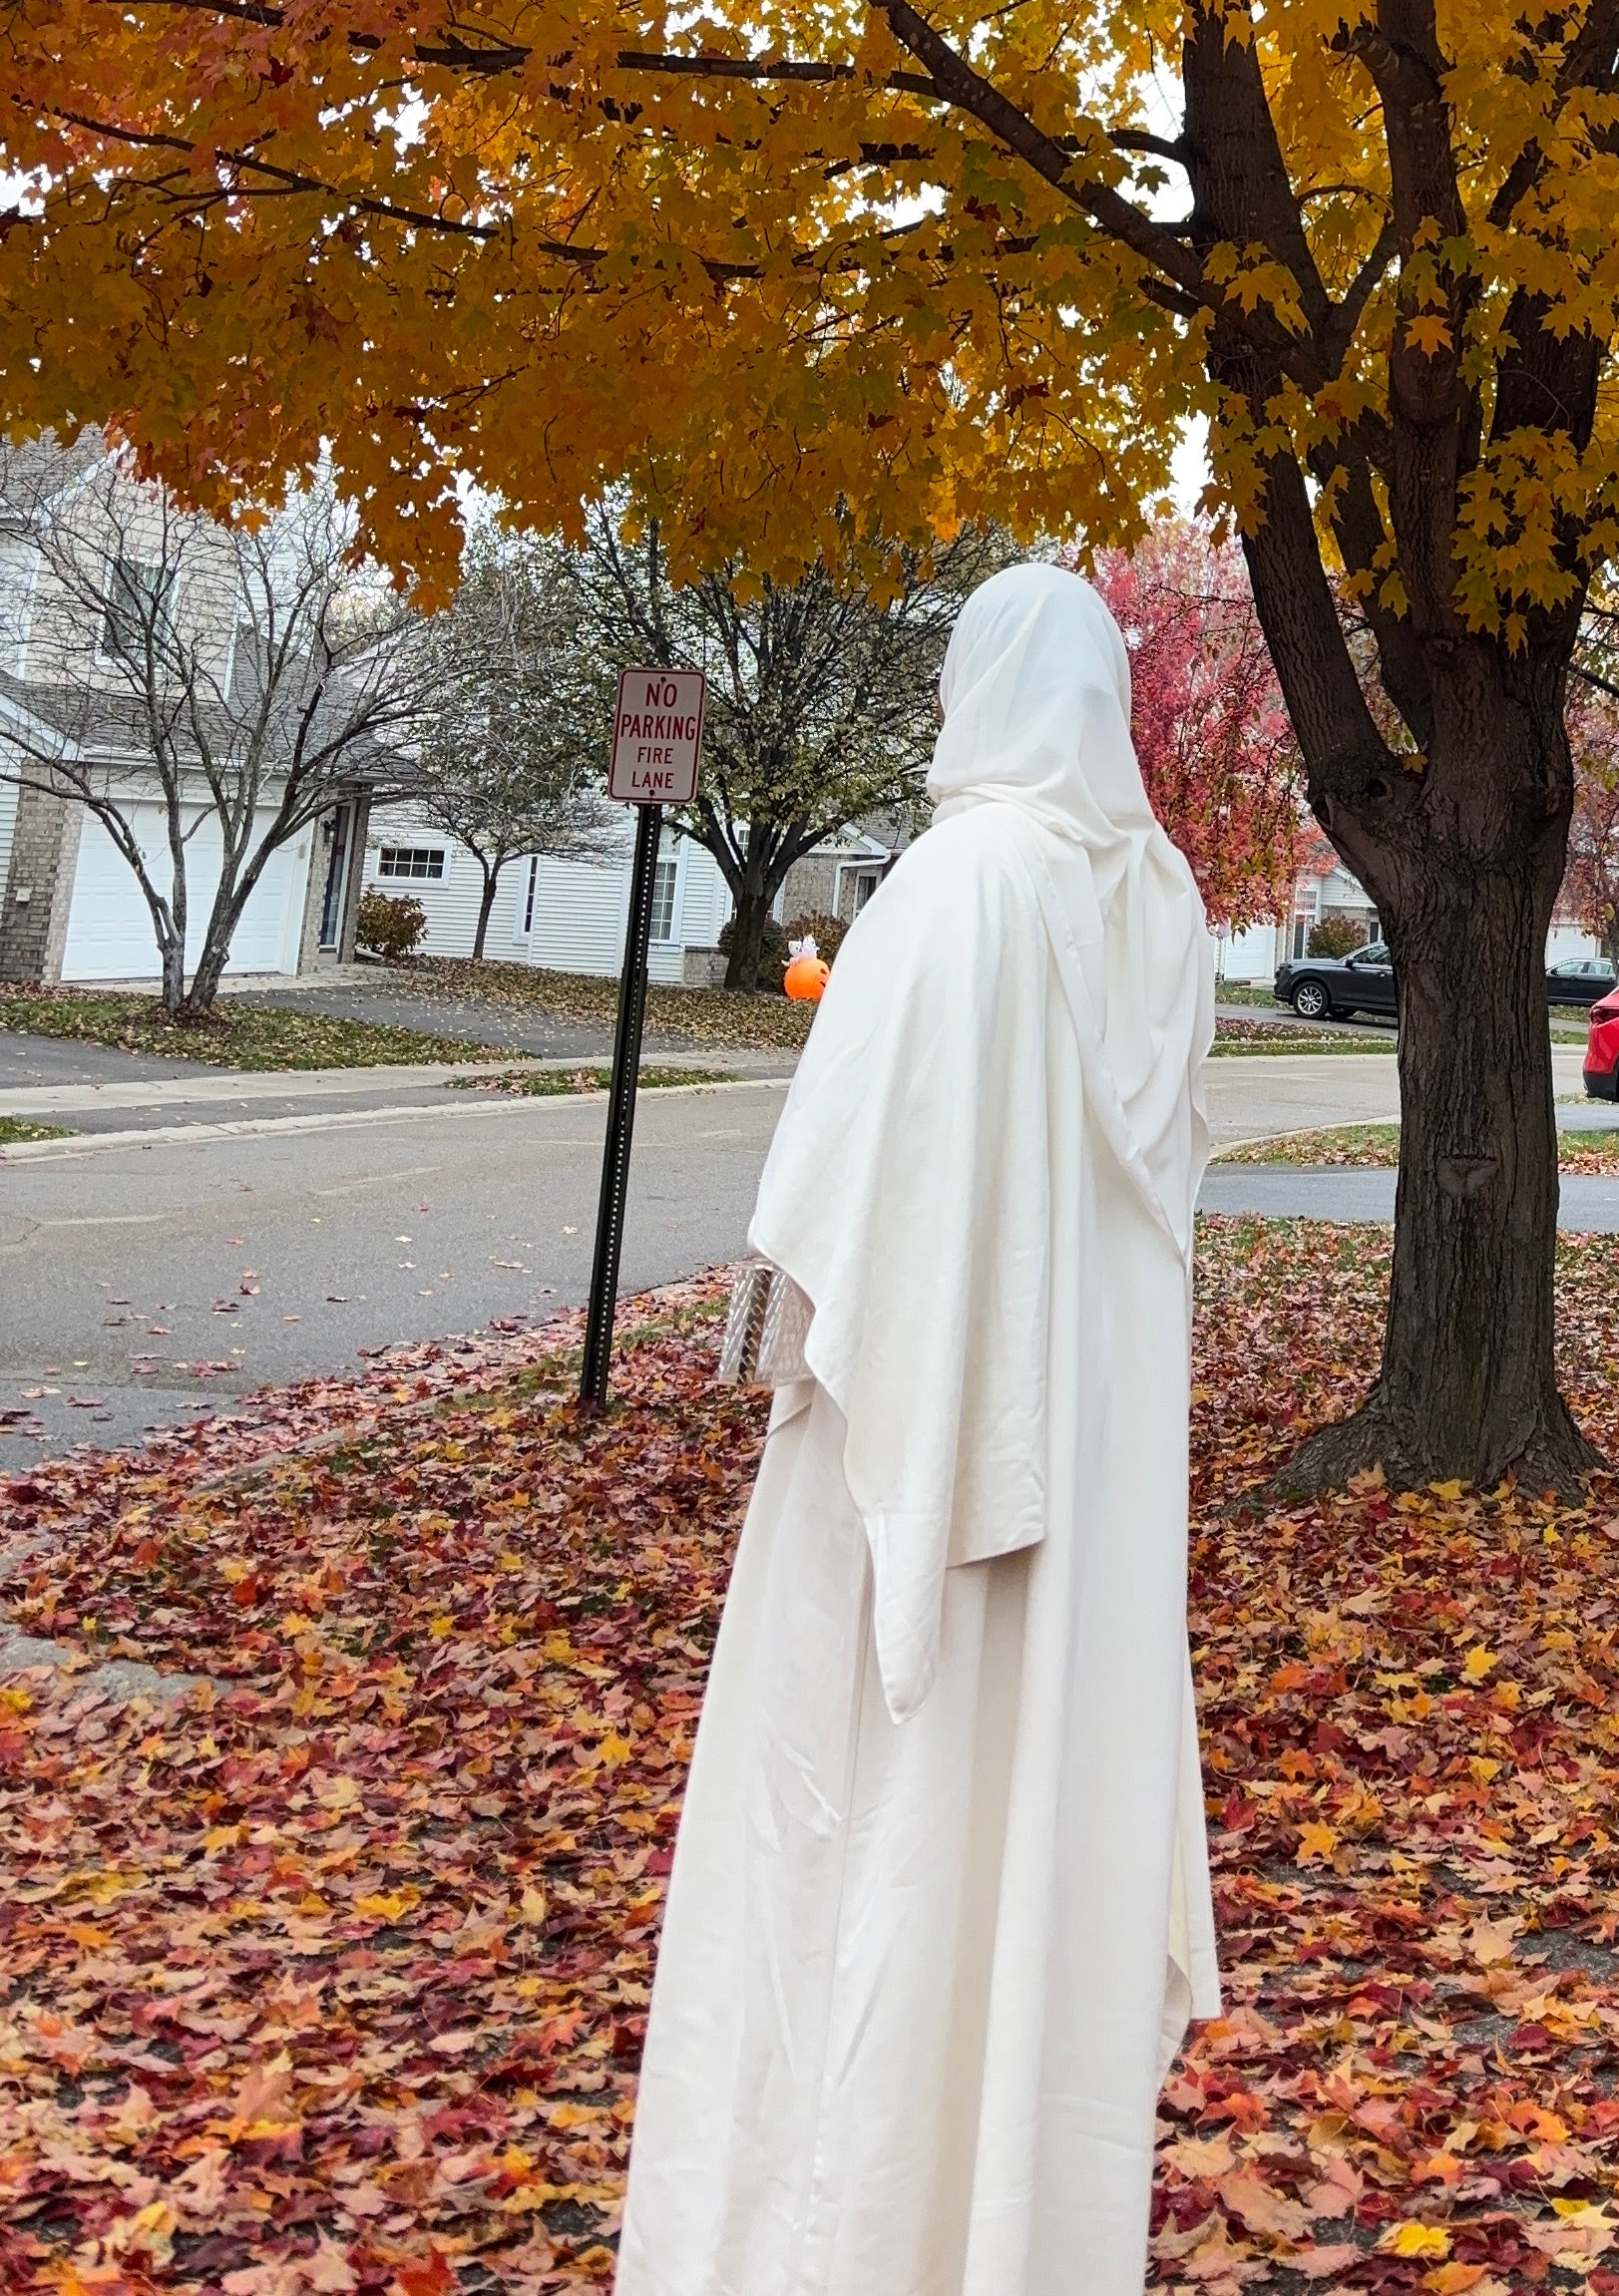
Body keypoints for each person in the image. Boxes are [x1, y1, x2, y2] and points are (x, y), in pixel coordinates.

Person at [615, 561, 1221, 2296]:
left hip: (913, 1488)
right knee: (1025, 1847)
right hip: (1083, 1500)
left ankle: (829, 2242)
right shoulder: (1163, 916)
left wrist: (783, 1360)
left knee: (865, 1854)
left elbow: (834, 1225)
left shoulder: (958, 884)